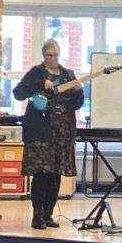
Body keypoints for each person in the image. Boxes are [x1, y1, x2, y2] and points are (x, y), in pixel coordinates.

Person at [13, 39, 84, 230]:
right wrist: (40, 84)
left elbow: (76, 104)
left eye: (55, 55)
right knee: (42, 174)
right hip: (41, 133)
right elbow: (18, 93)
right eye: (49, 55)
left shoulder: (68, 75)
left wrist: (79, 91)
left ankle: (48, 214)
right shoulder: (36, 72)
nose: (52, 58)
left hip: (62, 133)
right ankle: (37, 216)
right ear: (43, 55)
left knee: (55, 174)